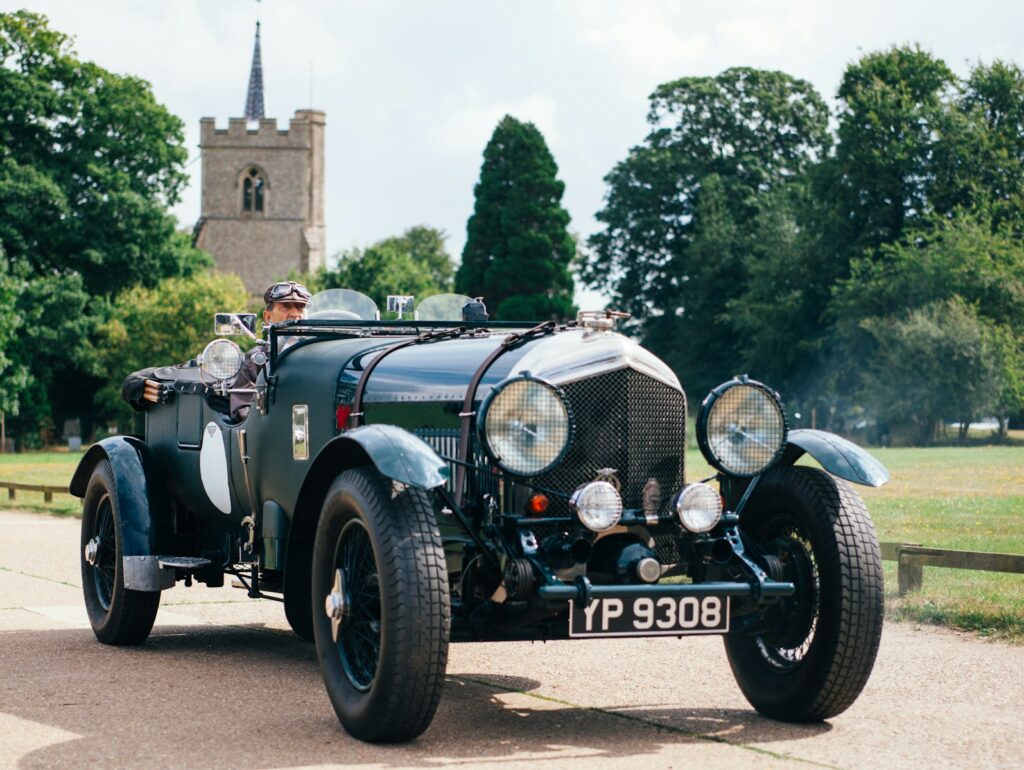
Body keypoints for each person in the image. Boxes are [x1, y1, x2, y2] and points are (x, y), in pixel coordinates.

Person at [124, 281, 312, 415]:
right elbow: (243, 409)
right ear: (268, 317)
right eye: (286, 306)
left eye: (300, 307)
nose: (295, 314)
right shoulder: (258, 359)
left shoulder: (317, 353)